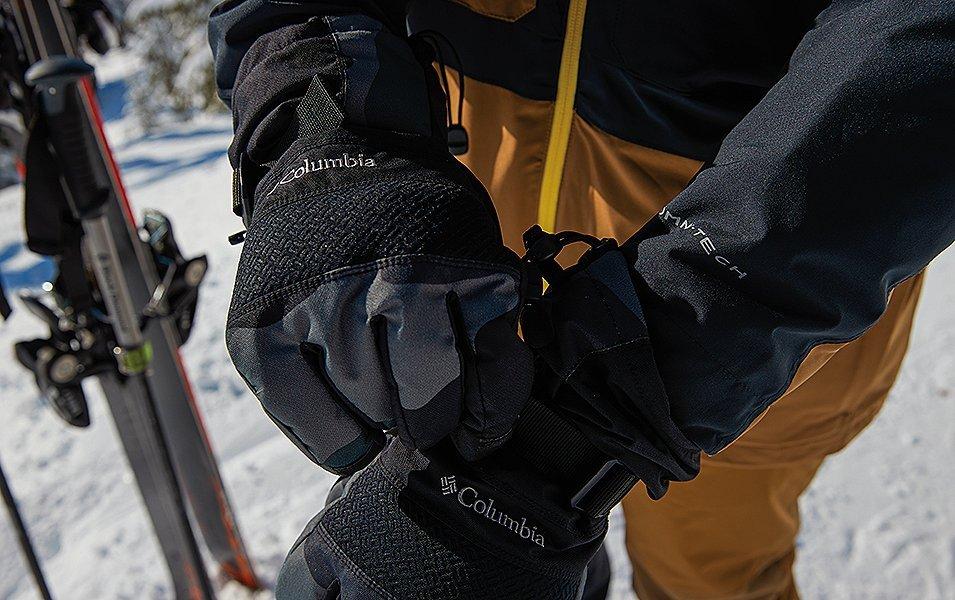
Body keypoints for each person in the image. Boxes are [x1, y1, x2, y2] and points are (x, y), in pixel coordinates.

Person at [208, 1, 954, 598]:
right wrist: (321, 120)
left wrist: (609, 397)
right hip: (459, 282)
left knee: (715, 581)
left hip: (757, 336)